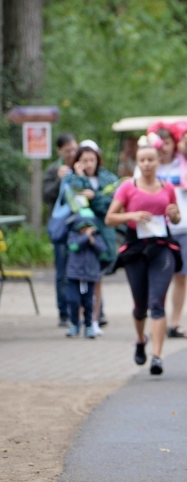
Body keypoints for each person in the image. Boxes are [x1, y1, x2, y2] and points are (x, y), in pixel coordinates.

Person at [106, 134, 181, 375]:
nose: (147, 164)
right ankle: (141, 339)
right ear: (137, 162)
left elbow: (176, 217)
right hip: (136, 249)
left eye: (151, 159)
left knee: (157, 302)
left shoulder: (168, 188)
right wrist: (132, 216)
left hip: (161, 248)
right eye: (142, 160)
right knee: (140, 306)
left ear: (158, 160)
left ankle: (157, 357)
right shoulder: (128, 187)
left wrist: (174, 213)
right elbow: (110, 218)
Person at [138, 124, 187, 339]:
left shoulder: (186, 165)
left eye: (168, 143)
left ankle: (175, 323)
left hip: (184, 227)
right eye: (160, 143)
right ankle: (156, 320)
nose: (164, 148)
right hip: (156, 229)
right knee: (156, 277)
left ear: (175, 144)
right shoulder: (147, 165)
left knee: (181, 276)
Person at [59, 144, 119, 335]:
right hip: (79, 236)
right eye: (84, 160)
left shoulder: (108, 178)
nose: (88, 164)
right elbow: (71, 201)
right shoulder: (72, 179)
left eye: (91, 160)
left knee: (96, 278)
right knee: (76, 279)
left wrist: (94, 197)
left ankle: (93, 320)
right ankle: (76, 321)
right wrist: (80, 178)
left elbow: (111, 204)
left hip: (100, 235)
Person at [43, 133, 78, 326]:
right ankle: (63, 313)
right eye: (67, 151)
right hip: (61, 228)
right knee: (62, 272)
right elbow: (46, 196)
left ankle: (83, 311)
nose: (72, 153)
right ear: (59, 152)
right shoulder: (54, 170)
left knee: (84, 269)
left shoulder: (83, 165)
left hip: (80, 226)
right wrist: (58, 180)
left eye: (74, 149)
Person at [64, 210, 107, 338]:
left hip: (90, 275)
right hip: (74, 275)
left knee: (89, 302)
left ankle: (88, 325)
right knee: (73, 300)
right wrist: (85, 237)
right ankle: (74, 324)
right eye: (84, 226)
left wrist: (92, 240)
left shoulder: (97, 237)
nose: (86, 229)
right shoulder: (73, 235)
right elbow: (74, 247)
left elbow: (103, 251)